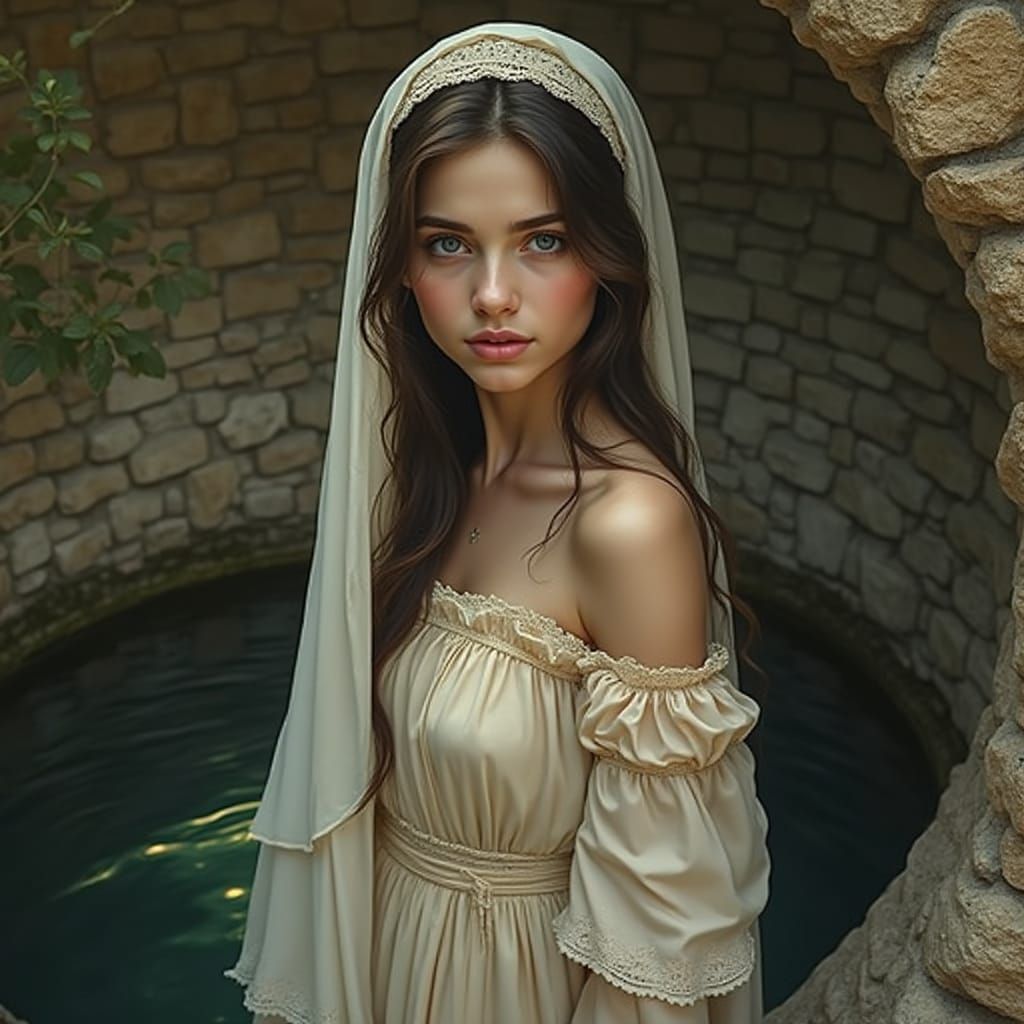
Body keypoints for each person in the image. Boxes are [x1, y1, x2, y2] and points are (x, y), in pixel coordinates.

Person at [224, 21, 771, 1024]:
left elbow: (657, 941)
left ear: (605, 257)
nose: (490, 295)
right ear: (396, 266)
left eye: (542, 241)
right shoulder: (424, 481)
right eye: (446, 244)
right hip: (390, 963)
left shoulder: (627, 524)